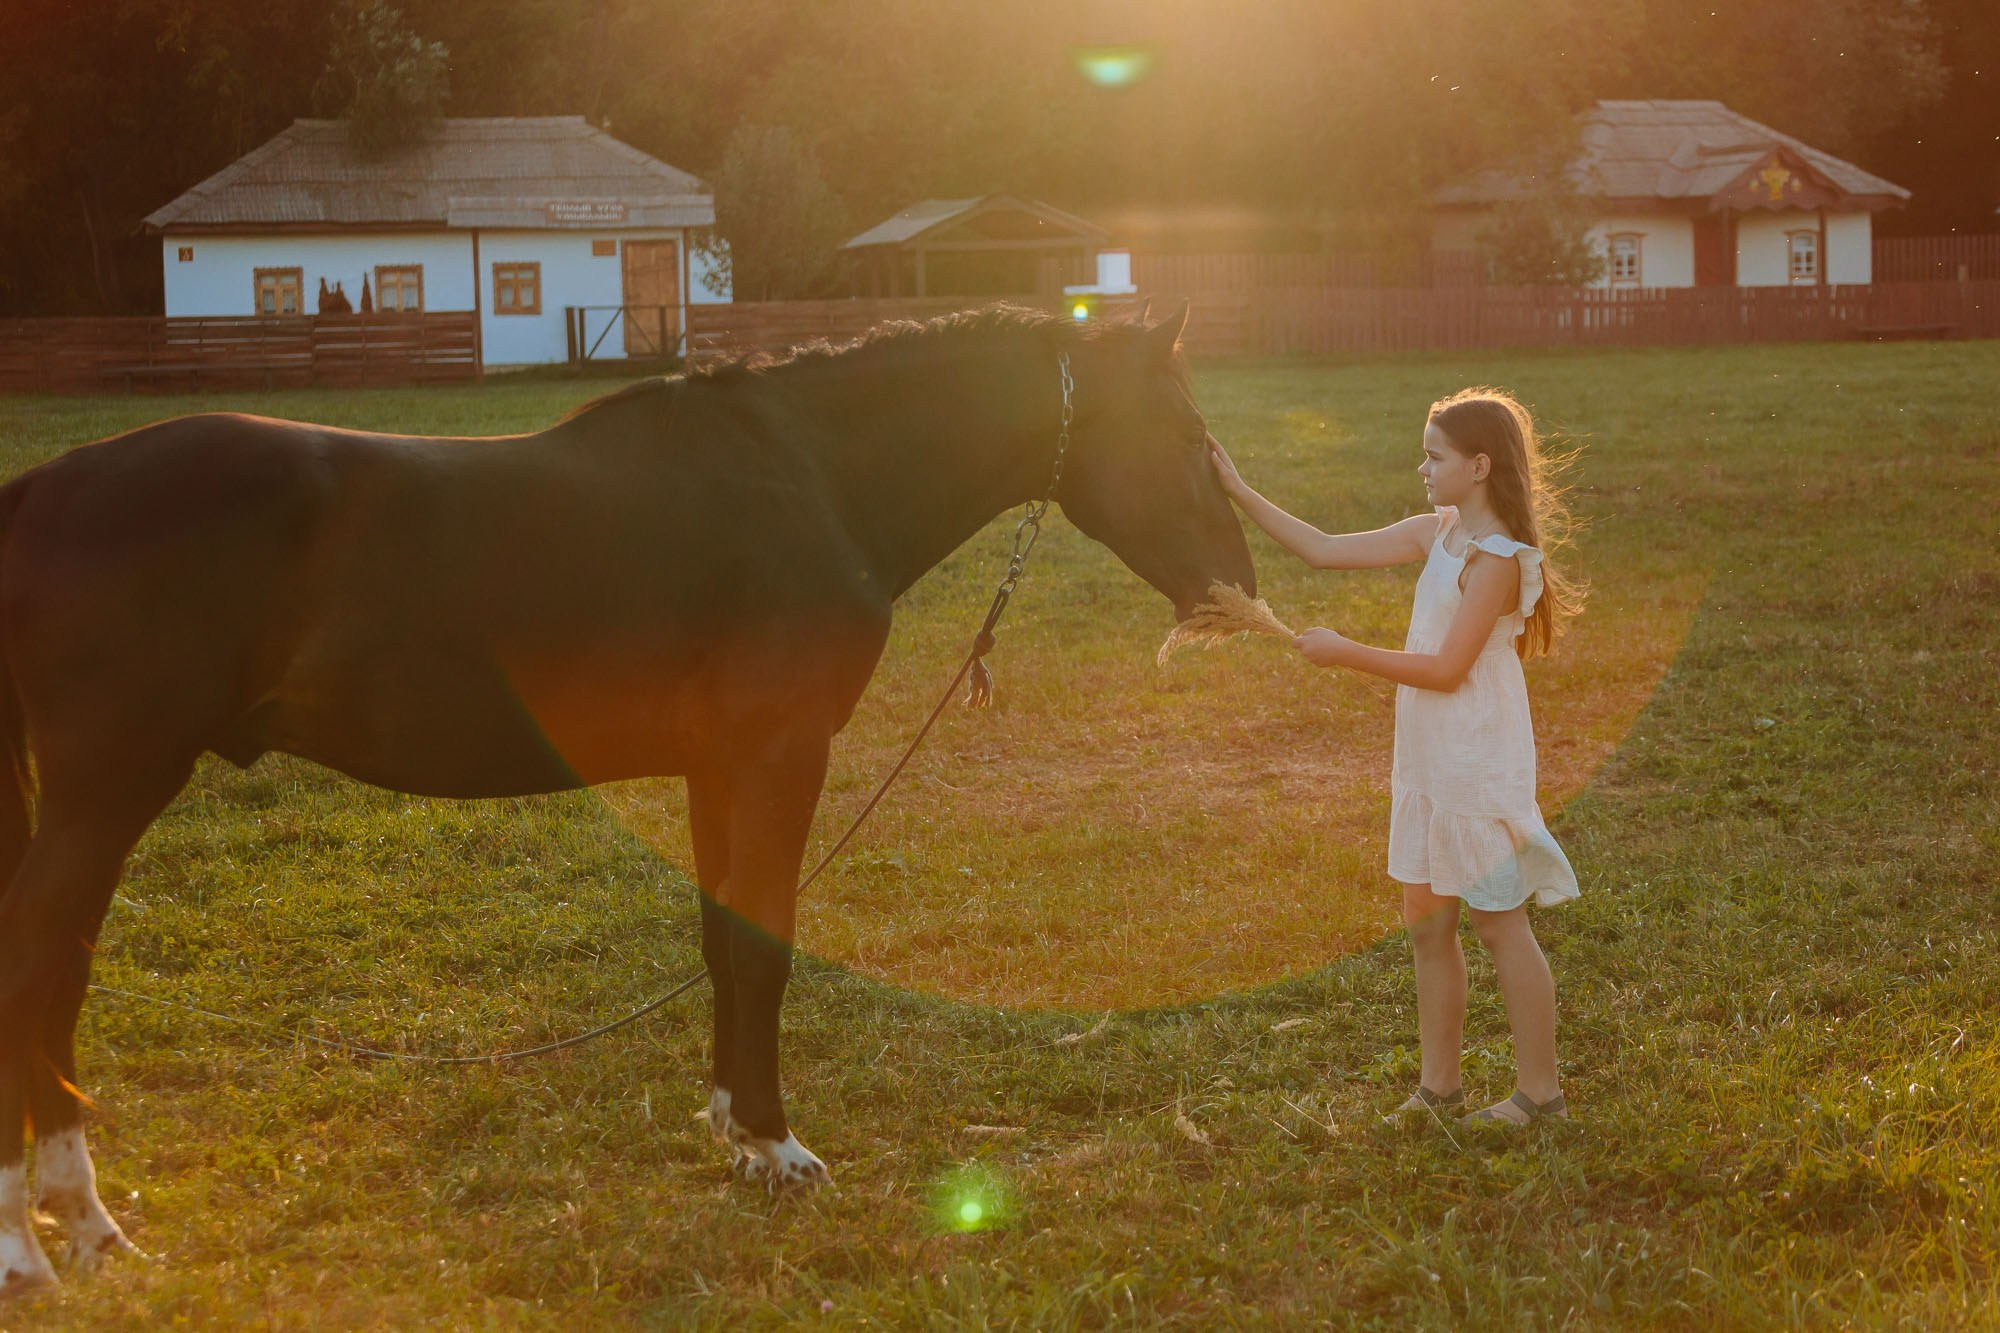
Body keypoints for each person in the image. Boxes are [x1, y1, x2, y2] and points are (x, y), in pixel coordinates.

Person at [1209, 388, 1582, 1126]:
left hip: (1475, 755)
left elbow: (1448, 669)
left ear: (1478, 466)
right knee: (1425, 918)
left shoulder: (1498, 560)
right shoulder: (1436, 532)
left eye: (1434, 455)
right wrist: (1239, 488)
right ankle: (1438, 1089)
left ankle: (1541, 1094)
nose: (1422, 466)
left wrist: (1345, 652)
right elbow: (1321, 548)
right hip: (1428, 754)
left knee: (1498, 921)